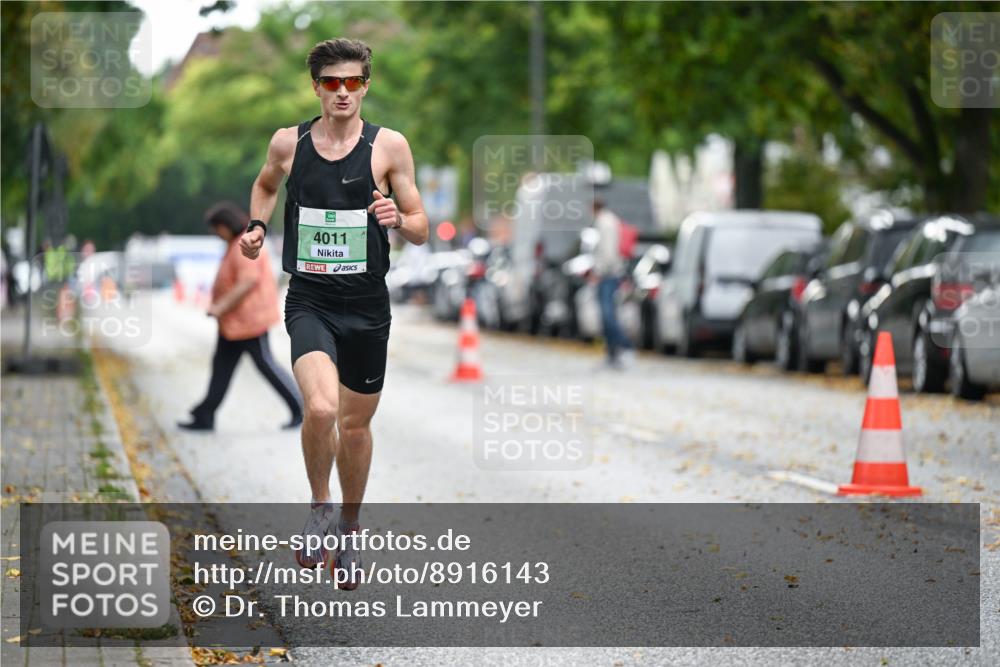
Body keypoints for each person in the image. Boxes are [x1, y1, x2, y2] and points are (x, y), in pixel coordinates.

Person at [239, 38, 428, 588]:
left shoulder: (389, 147)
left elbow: (419, 225)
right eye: (331, 82)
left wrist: (398, 217)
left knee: (355, 424)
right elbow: (264, 186)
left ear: (365, 85)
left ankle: (349, 529)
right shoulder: (288, 142)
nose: (342, 92)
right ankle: (321, 506)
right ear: (316, 87)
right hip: (310, 299)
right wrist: (256, 226)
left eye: (352, 82)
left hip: (368, 304)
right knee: (320, 409)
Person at [178, 202, 303, 432]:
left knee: (266, 365)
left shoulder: (243, 245)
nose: (215, 234)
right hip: (235, 324)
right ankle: (205, 414)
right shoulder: (236, 244)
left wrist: (220, 307)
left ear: (225, 225)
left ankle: (300, 409)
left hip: (248, 322)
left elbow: (247, 282)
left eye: (216, 228)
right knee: (221, 368)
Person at [593, 197, 634, 368]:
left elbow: (608, 252)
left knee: (607, 314)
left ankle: (624, 346)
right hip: (610, 273)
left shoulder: (604, 222)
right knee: (608, 314)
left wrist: (600, 271)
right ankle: (612, 353)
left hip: (608, 275)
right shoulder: (609, 220)